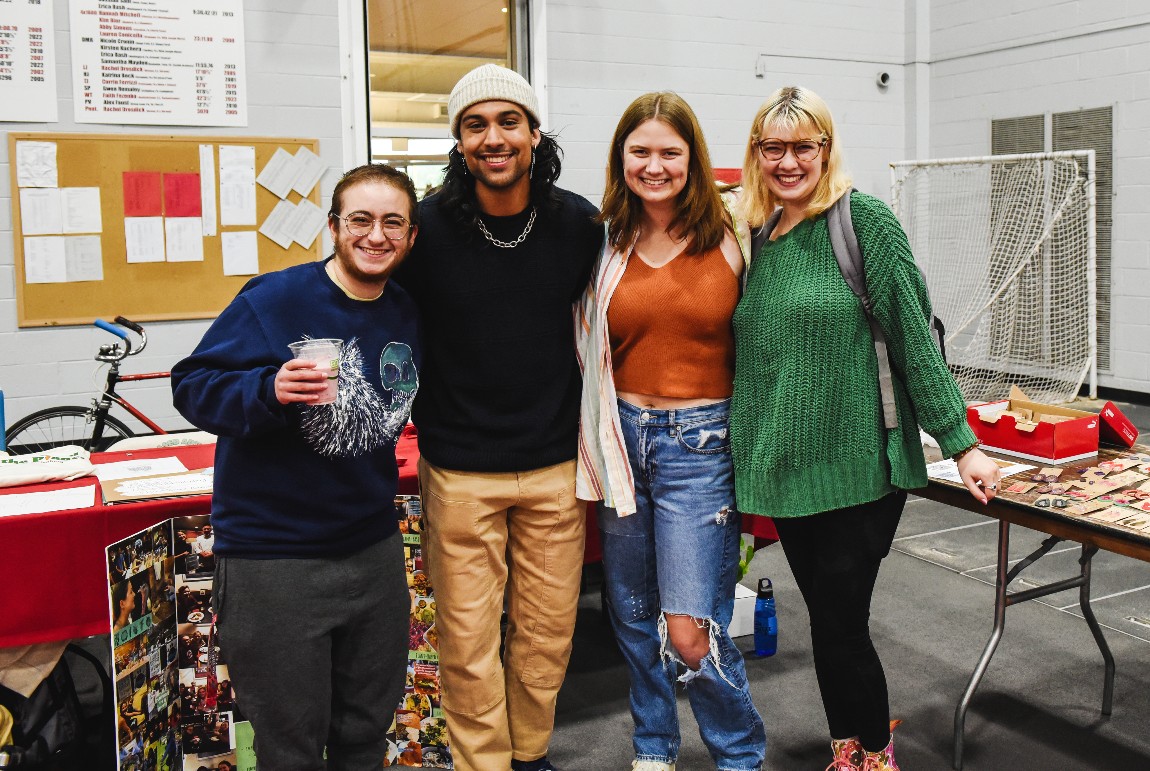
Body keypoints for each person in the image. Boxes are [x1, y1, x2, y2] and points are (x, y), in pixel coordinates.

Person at [731, 86, 1001, 771]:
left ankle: (877, 756)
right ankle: (846, 749)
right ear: (757, 154)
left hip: (861, 467)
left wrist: (961, 442)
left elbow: (913, 336)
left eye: (803, 146)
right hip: (789, 473)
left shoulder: (863, 222)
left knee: (843, 623)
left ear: (826, 149)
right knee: (826, 623)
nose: (788, 161)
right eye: (773, 147)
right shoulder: (759, 238)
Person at [171, 162, 422, 771]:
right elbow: (192, 385)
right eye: (360, 220)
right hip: (275, 558)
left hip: (372, 550)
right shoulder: (274, 299)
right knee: (291, 745)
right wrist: (268, 389)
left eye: (393, 223)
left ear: (411, 236)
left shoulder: (406, 310)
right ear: (333, 227)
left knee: (366, 731)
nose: (376, 235)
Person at [392, 63, 602, 771]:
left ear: (534, 133)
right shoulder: (424, 229)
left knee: (545, 634)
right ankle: (483, 763)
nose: (493, 138)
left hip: (555, 465)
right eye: (475, 124)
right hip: (459, 469)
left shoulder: (577, 224)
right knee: (467, 639)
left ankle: (530, 754)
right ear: (459, 141)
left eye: (508, 121)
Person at [575, 92, 766, 771]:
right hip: (621, 440)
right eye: (640, 152)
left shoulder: (737, 233)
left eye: (669, 152)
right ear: (620, 158)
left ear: (693, 158)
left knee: (690, 629)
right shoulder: (604, 242)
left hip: (701, 446)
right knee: (631, 615)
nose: (654, 166)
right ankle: (653, 747)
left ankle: (740, 755)